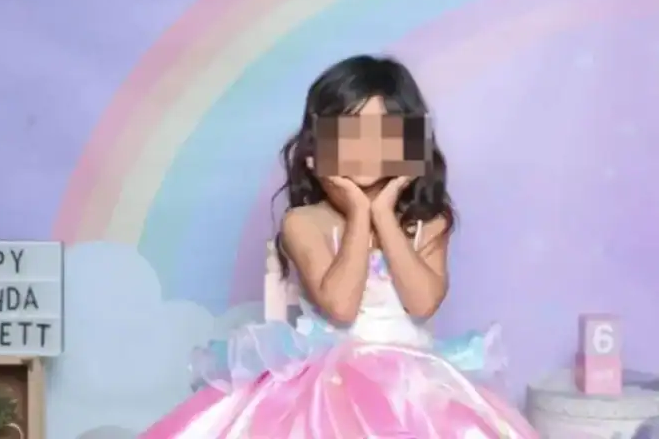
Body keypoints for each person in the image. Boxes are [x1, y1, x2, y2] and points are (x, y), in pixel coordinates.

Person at [140, 55, 538, 438]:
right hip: (325, 379)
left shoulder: (430, 223)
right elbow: (341, 307)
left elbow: (422, 304)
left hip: (415, 385)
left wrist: (383, 212)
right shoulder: (304, 222)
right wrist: (359, 211)